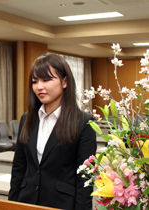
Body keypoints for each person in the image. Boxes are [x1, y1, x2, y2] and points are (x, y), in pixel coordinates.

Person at [8, 54, 96, 210]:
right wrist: (11, 204)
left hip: (61, 204)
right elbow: (19, 167)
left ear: (64, 82)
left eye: (46, 80)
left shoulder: (83, 122)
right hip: (26, 201)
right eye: (35, 82)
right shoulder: (27, 119)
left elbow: (85, 179)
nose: (39, 87)